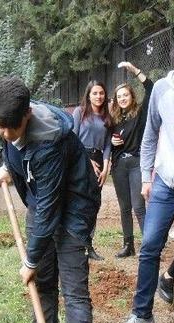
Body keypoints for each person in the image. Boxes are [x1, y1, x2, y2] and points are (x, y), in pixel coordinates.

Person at [0, 76, 108, 323]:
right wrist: (7, 167)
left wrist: (30, 260)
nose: (3, 133)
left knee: (73, 288)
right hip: (45, 205)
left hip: (73, 209)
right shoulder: (10, 121)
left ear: (27, 116)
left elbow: (48, 207)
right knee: (41, 284)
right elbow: (14, 149)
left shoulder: (50, 143)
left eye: (8, 129)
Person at [110, 30, 174, 323]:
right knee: (150, 245)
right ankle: (141, 315)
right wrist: (147, 177)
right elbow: (150, 135)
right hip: (163, 182)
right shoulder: (162, 89)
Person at [109, 61, 153, 258]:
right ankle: (128, 245)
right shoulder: (115, 119)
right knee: (124, 207)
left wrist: (135, 71)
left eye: (125, 95)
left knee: (138, 206)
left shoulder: (140, 114)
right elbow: (107, 145)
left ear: (131, 96)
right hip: (119, 166)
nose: (123, 99)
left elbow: (150, 88)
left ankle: (148, 246)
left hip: (136, 163)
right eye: (119, 97)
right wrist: (112, 142)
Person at [72, 80, 111, 261]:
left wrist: (105, 167)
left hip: (99, 160)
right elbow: (72, 138)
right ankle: (76, 243)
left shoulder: (107, 115)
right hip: (80, 158)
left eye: (101, 93)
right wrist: (86, 160)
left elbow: (108, 144)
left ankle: (89, 245)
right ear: (88, 95)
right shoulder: (80, 112)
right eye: (95, 93)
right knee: (79, 201)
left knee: (94, 203)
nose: (98, 96)